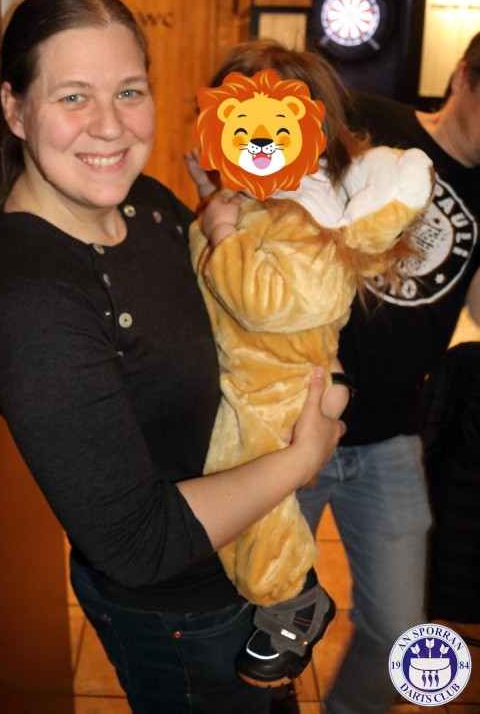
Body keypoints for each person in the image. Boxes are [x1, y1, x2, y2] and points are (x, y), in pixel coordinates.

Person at [0, 0, 345, 714]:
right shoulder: (33, 305)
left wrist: (231, 208)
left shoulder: (142, 202)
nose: (110, 126)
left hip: (244, 572)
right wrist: (300, 459)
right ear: (15, 109)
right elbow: (136, 543)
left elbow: (228, 300)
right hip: (183, 616)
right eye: (73, 97)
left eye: (129, 91)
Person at [185, 47, 433, 690]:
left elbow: (278, 302)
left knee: (250, 506)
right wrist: (215, 201)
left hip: (279, 398)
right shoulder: (261, 197)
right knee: (236, 504)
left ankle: (292, 599)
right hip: (254, 387)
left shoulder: (310, 212)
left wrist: (222, 234)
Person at [295, 31, 480, 714]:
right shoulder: (373, 120)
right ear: (462, 78)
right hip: (298, 416)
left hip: (391, 434)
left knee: (400, 633)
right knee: (260, 613)